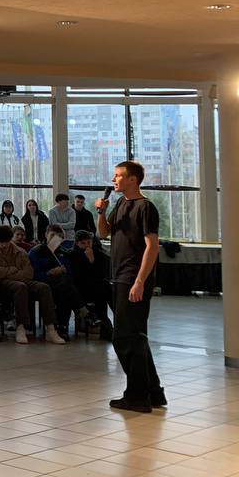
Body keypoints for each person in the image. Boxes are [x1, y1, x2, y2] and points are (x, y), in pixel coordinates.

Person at [96, 161, 165, 412]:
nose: (113, 180)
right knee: (136, 337)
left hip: (133, 278)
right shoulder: (120, 204)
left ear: (133, 179)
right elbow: (103, 233)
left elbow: (152, 246)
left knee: (124, 337)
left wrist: (140, 280)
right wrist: (101, 212)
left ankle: (137, 396)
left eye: (118, 176)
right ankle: (153, 392)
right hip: (119, 276)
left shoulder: (145, 207)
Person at [0, 225, 67, 345]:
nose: (4, 245)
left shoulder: (20, 251)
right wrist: (15, 270)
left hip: (22, 280)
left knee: (43, 287)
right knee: (20, 287)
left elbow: (29, 273)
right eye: (1, 242)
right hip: (1, 284)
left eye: (7, 242)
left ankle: (51, 328)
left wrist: (8, 272)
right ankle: (20, 327)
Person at [27, 225, 86, 339]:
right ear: (46, 235)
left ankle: (62, 326)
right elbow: (33, 274)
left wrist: (64, 271)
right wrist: (49, 273)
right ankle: (81, 311)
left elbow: (70, 274)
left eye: (59, 236)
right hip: (42, 282)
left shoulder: (64, 253)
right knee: (65, 287)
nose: (55, 238)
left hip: (61, 284)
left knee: (64, 287)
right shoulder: (36, 251)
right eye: (52, 235)